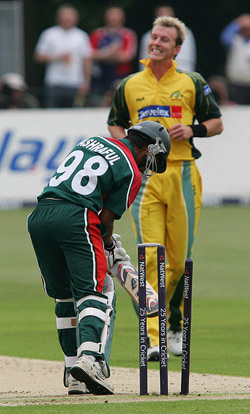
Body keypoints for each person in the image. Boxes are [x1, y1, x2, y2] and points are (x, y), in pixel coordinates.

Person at [107, 16, 223, 361]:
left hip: (184, 175)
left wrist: (193, 130)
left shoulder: (191, 81)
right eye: (154, 36)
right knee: (150, 257)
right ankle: (153, 337)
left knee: (176, 263)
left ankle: (175, 325)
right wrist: (129, 148)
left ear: (177, 48)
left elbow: (216, 122)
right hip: (147, 180)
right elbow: (115, 123)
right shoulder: (130, 84)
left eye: (164, 39)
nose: (156, 42)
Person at [27, 120, 171, 395]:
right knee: (97, 290)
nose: (149, 167)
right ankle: (90, 360)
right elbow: (105, 220)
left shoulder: (92, 142)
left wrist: (105, 244)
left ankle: (74, 374)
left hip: (40, 216)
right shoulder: (131, 170)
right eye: (153, 160)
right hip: (76, 218)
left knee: (65, 297)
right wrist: (110, 247)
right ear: (149, 148)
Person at [34, 4, 92, 108]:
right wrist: (57, 57)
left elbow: (86, 59)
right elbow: (38, 56)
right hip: (54, 82)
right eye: (64, 17)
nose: (67, 19)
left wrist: (86, 81)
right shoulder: (49, 34)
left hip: (75, 83)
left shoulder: (81, 36)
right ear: (58, 18)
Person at [89, 6, 137, 104]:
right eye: (112, 15)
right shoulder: (97, 34)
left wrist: (103, 55)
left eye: (117, 15)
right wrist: (110, 52)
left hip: (121, 75)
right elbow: (91, 55)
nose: (114, 18)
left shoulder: (128, 34)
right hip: (101, 77)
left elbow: (127, 56)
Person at [139, 4, 196, 71]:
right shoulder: (147, 37)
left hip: (182, 72)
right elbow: (144, 63)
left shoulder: (186, 33)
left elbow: (188, 61)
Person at [220, 14, 250, 104]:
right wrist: (237, 23)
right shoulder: (235, 40)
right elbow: (225, 37)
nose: (246, 31)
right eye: (244, 29)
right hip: (236, 84)